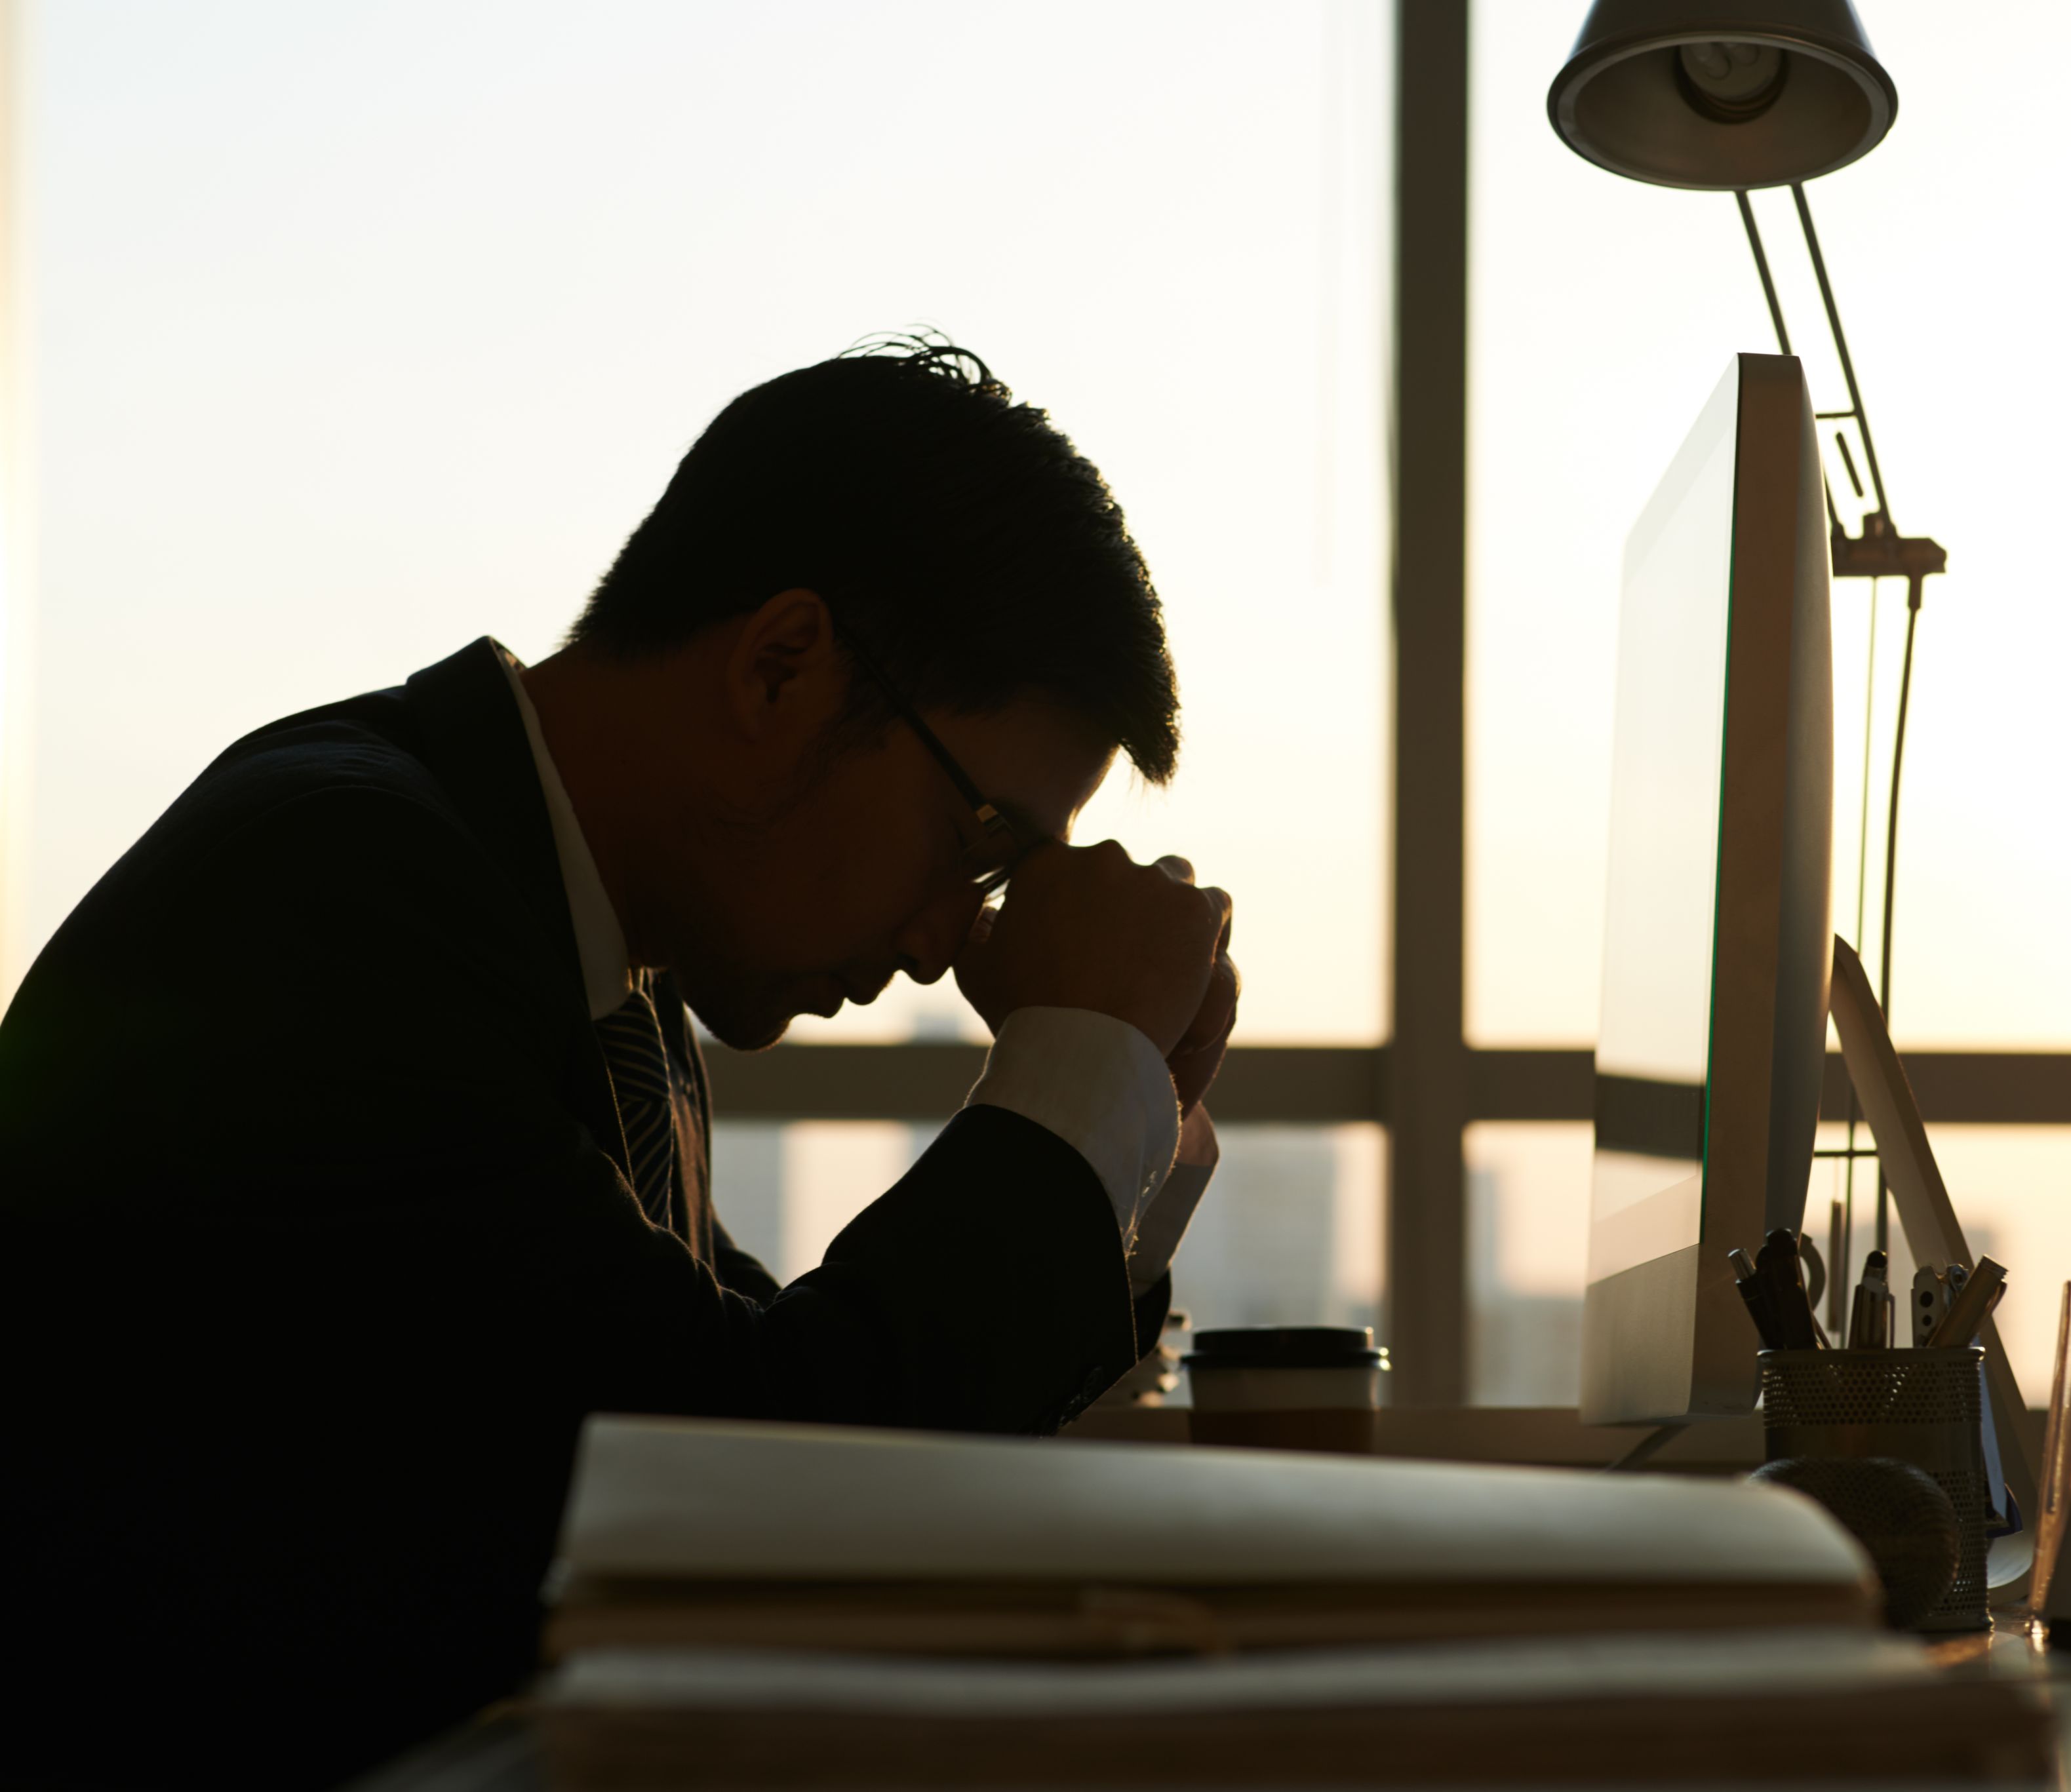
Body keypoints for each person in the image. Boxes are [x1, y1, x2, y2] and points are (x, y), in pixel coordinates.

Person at [0, 340, 1239, 1787]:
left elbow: (781, 1397)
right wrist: (1074, 1067)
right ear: (781, 667)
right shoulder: (338, 889)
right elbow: (751, 1492)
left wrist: (1125, 1126)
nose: (939, 944)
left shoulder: (584, 952)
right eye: (979, 848)